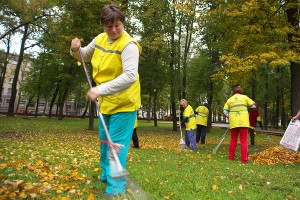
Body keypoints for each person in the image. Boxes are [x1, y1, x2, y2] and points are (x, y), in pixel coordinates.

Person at [70, 4, 142, 198]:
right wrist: (74, 49)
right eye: (109, 26)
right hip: (105, 103)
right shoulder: (100, 39)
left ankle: (115, 188)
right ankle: (106, 173)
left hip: (125, 104)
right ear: (103, 25)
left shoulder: (129, 46)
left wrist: (99, 89)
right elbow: (83, 56)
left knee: (115, 146)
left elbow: (130, 77)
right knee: (104, 143)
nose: (114, 30)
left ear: (123, 23)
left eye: (117, 25)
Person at [223, 85, 256, 163]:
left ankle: (231, 157)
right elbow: (254, 105)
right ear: (241, 91)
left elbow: (224, 111)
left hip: (233, 122)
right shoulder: (245, 97)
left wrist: (229, 116)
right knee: (244, 140)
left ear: (233, 92)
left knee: (233, 139)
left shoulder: (229, 100)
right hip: (243, 122)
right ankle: (244, 159)